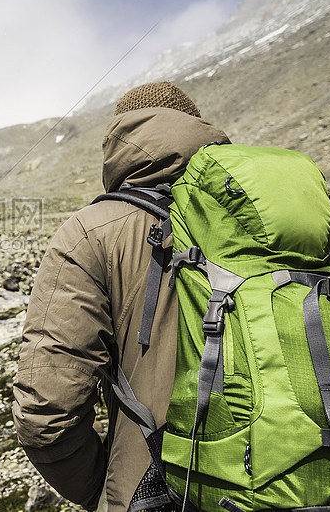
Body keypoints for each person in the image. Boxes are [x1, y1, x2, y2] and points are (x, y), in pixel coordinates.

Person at [12, 82, 231, 511]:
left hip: (164, 489)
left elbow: (46, 415)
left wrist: (106, 492)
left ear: (119, 139)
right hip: (318, 474)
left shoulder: (91, 232)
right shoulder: (271, 217)